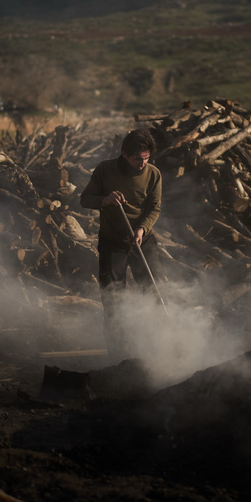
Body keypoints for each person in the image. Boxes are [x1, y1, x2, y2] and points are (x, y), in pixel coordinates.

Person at [79, 128, 162, 360]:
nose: (143, 163)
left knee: (153, 292)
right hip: (112, 242)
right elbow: (85, 199)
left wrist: (142, 229)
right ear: (124, 154)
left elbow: (154, 208)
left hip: (143, 241)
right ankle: (118, 356)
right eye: (138, 158)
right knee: (113, 298)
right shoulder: (105, 170)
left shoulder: (153, 174)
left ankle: (155, 349)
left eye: (147, 158)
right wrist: (105, 200)